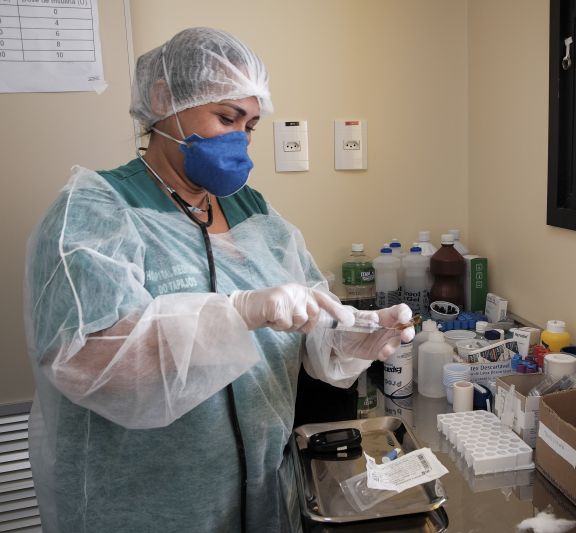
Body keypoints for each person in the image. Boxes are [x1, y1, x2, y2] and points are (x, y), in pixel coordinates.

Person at [24, 27, 414, 532]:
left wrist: (350, 337)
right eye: (226, 117)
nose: (240, 138)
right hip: (145, 506)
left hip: (264, 492)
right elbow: (88, 363)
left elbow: (307, 324)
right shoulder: (97, 210)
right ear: (164, 100)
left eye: (250, 124)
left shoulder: (257, 216)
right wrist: (236, 314)